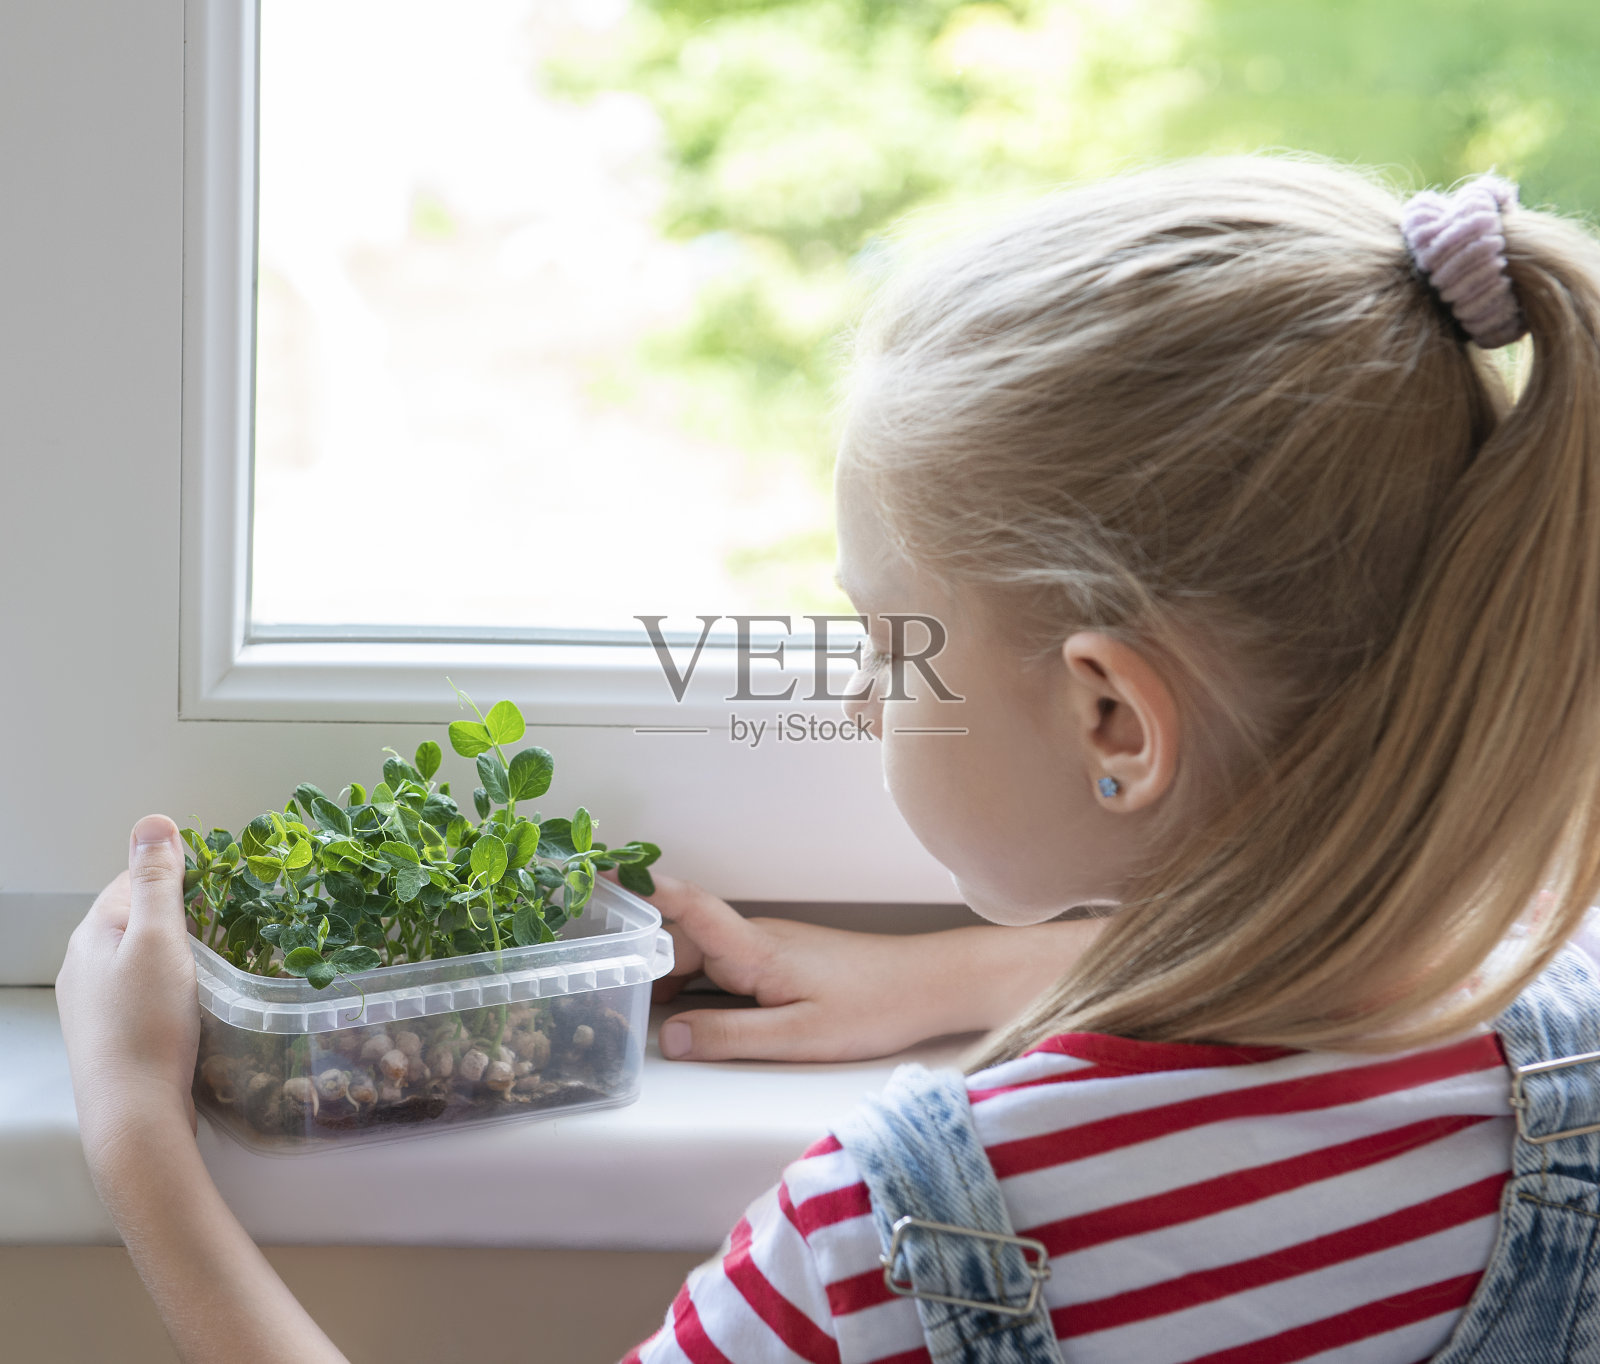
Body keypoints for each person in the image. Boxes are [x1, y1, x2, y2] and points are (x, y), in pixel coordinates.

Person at [56, 151, 1600, 1364]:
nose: (863, 702)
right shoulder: (1564, 1018)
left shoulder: (902, 1239)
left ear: (1112, 723)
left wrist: (138, 1143)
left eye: (890, 645)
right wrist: (951, 977)